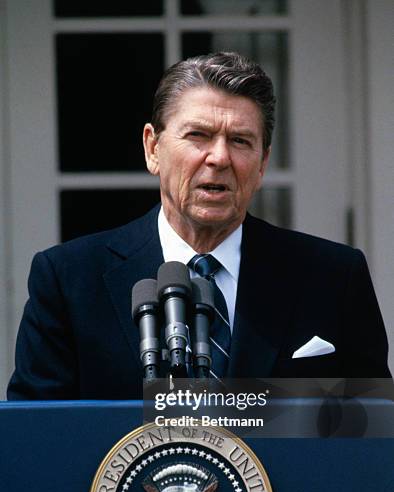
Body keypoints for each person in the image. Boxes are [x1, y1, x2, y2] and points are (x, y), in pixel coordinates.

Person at [7, 52, 391, 400]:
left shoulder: (334, 277)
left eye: (240, 141)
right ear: (152, 149)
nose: (220, 157)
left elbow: (371, 437)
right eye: (198, 136)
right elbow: (38, 440)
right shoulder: (68, 280)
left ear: (262, 164)